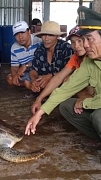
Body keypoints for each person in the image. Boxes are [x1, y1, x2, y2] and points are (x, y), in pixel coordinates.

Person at [25, 6, 101, 146]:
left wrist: (85, 102)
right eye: (82, 40)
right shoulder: (89, 61)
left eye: (89, 39)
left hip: (96, 105)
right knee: (66, 105)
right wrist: (39, 113)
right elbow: (66, 87)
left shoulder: (65, 49)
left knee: (98, 116)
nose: (84, 45)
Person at [31, 25, 94, 114]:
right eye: (73, 42)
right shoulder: (75, 57)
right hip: (76, 89)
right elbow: (59, 77)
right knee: (65, 82)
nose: (76, 46)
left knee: (69, 80)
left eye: (80, 41)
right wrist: (39, 99)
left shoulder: (93, 56)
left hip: (95, 94)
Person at [25, 20, 74, 99]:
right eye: (44, 35)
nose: (46, 39)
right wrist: (34, 81)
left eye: (50, 35)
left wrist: (50, 76)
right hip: (45, 81)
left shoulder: (66, 48)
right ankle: (49, 93)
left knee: (67, 80)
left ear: (57, 36)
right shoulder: (40, 49)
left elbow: (71, 70)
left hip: (61, 80)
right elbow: (33, 69)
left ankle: (50, 93)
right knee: (28, 81)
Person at [6, 21, 42, 92]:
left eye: (22, 32)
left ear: (29, 31)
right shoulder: (14, 47)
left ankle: (32, 85)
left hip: (40, 71)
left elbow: (42, 61)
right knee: (10, 79)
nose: (20, 37)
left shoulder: (39, 41)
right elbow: (14, 67)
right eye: (17, 34)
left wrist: (26, 65)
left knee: (28, 82)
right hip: (27, 73)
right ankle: (33, 85)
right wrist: (15, 76)